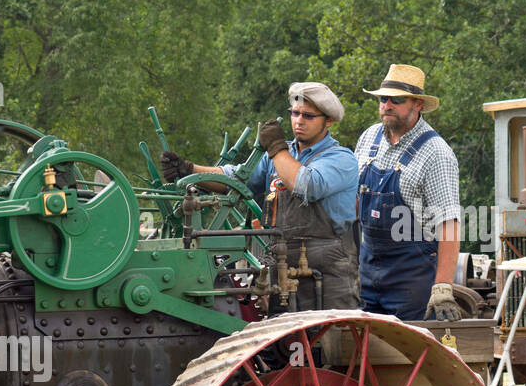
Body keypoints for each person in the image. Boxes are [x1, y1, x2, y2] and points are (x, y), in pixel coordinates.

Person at [162, 81, 359, 310]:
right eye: (294, 113)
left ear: (329, 121)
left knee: (333, 341)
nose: (299, 121)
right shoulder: (278, 156)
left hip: (328, 275)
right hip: (281, 265)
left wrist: (276, 146)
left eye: (308, 116)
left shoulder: (341, 159)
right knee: (285, 343)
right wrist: (189, 170)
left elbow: (305, 184)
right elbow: (236, 179)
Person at [354, 64, 461, 320]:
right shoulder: (368, 138)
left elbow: (449, 224)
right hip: (366, 270)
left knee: (408, 356)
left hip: (412, 280)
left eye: (397, 99)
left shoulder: (436, 153)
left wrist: (443, 287)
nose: (387, 105)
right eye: (383, 98)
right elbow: (354, 204)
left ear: (418, 105)